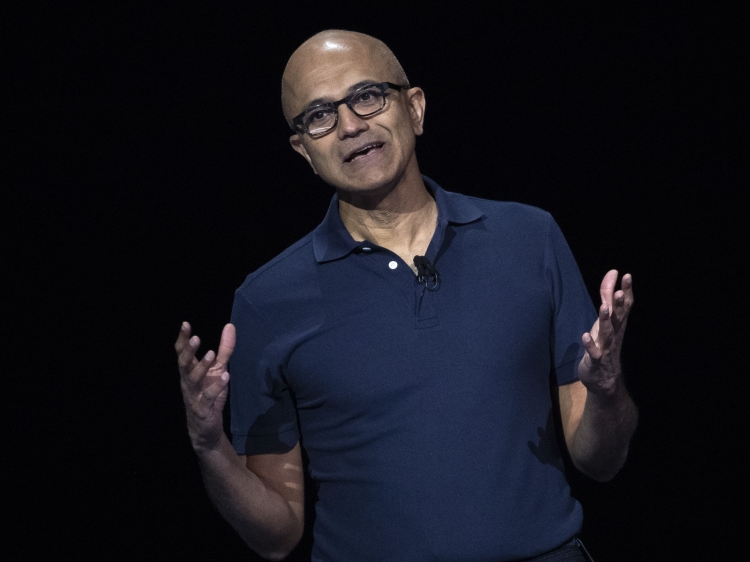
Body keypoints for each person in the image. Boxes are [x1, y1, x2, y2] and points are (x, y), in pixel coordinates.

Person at [175, 30, 637, 561]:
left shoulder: (530, 239)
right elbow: (277, 537)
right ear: (303, 149)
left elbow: (601, 461)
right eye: (320, 115)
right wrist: (210, 447)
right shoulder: (266, 301)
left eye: (367, 96)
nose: (350, 125)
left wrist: (607, 390)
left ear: (414, 108)